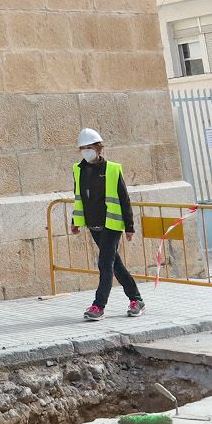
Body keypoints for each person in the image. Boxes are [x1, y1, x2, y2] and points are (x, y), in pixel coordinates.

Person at [69, 127, 144, 321]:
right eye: (82, 148)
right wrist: (75, 222)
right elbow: (79, 197)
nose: (86, 151)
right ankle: (136, 299)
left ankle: (98, 306)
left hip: (111, 225)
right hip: (93, 225)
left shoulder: (111, 169)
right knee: (115, 265)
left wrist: (129, 226)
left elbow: (124, 198)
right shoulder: (78, 170)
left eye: (89, 147)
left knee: (105, 265)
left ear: (98, 147)